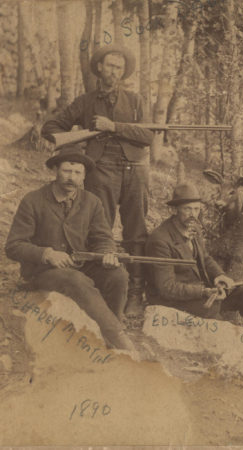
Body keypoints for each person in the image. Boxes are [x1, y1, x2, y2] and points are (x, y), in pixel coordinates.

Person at [41, 44, 154, 315]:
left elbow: (149, 136)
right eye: (109, 65)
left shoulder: (137, 101)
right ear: (99, 68)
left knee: (136, 231)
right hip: (100, 170)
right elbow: (51, 129)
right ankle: (99, 285)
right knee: (99, 228)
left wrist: (113, 127)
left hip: (135, 170)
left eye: (119, 67)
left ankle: (136, 293)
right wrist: (77, 149)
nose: (114, 71)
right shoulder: (85, 102)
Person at [5, 145, 136, 351]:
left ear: (83, 176)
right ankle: (119, 339)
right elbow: (13, 246)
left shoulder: (92, 202)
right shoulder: (33, 201)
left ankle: (109, 330)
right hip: (43, 272)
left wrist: (107, 254)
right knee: (75, 279)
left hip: (82, 266)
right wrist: (47, 254)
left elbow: (102, 237)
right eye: (66, 171)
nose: (71, 177)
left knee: (118, 275)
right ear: (55, 170)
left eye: (77, 173)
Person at [145, 183, 243, 322]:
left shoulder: (192, 228)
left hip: (201, 292)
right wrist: (203, 292)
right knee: (213, 308)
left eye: (196, 209)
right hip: (172, 300)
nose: (193, 214)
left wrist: (220, 275)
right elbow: (167, 288)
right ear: (174, 210)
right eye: (188, 209)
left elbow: (205, 258)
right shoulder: (160, 240)